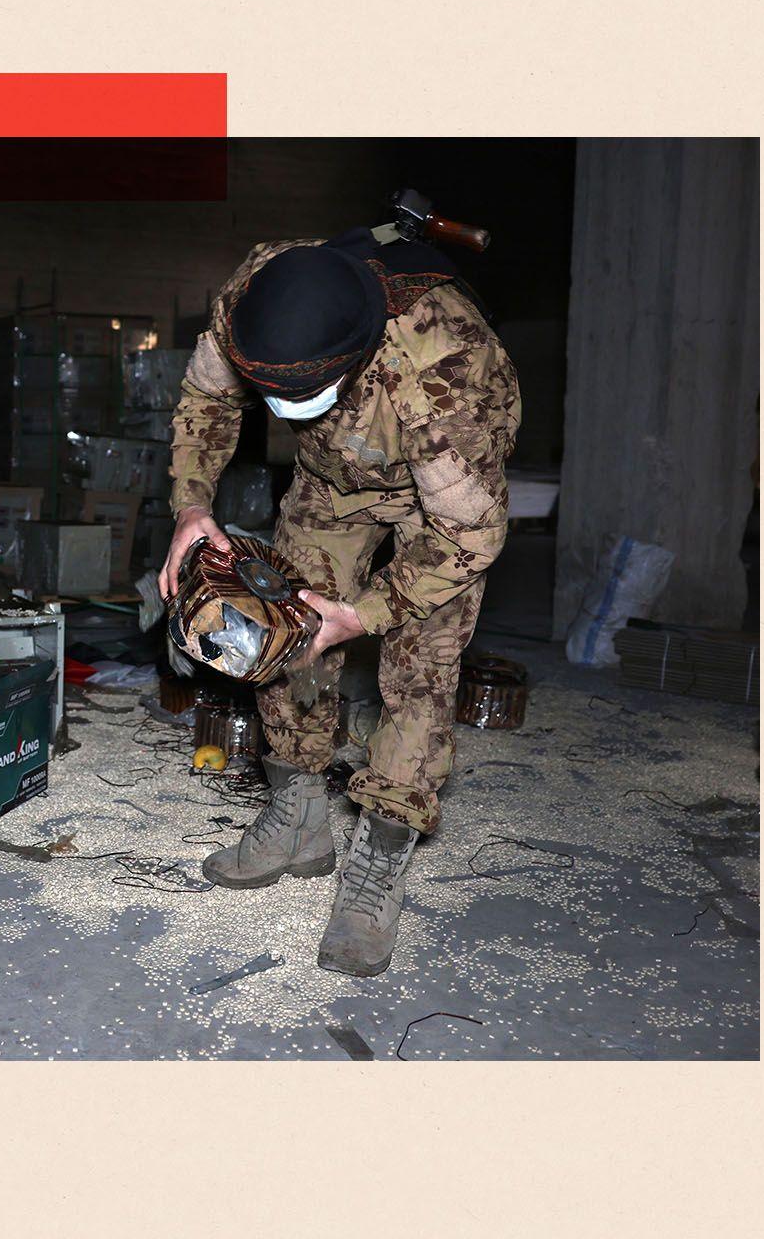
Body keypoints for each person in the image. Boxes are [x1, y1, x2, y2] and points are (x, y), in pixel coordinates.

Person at [159, 229, 521, 976]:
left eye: (297, 393)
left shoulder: (446, 373)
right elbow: (206, 398)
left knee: (420, 669)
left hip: (442, 508)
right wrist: (192, 507)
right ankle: (298, 816)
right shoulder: (250, 298)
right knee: (283, 624)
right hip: (334, 480)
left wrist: (364, 613)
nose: (279, 407)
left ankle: (379, 860)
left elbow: (473, 533)